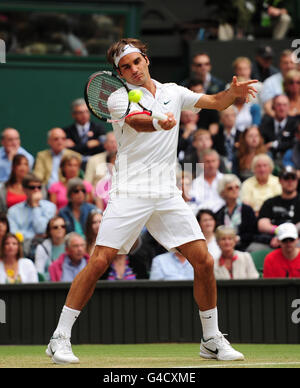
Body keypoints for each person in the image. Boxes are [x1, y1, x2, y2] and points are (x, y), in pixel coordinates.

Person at [46, 37, 257, 364]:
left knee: (204, 260)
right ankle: (59, 338)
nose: (132, 70)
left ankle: (212, 339)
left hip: (165, 192)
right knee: (100, 261)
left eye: (136, 62)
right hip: (130, 191)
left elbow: (215, 101)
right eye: (124, 67)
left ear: (146, 60)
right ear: (119, 73)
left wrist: (233, 93)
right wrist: (159, 121)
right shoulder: (116, 98)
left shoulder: (174, 91)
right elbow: (137, 122)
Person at [7, 173, 56, 257]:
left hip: (45, 249)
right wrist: (33, 236)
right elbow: (14, 233)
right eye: (32, 187)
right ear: (24, 189)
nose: (36, 190)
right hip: (22, 248)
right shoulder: (13, 210)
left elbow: (41, 229)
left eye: (39, 187)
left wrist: (35, 206)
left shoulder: (50, 207)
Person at [255, 166, 300, 251]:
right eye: (286, 178)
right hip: (273, 238)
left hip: (296, 239)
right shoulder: (270, 202)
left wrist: (287, 234)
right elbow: (262, 224)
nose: (290, 181)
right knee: (254, 248)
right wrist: (278, 232)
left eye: (293, 178)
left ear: (297, 181)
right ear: (280, 180)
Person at [215, 174, 257, 251]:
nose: (235, 190)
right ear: (222, 192)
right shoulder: (219, 213)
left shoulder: (247, 210)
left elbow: (253, 232)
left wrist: (239, 238)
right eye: (230, 188)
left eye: (237, 187)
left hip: (244, 247)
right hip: (223, 248)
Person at [63, 98, 106, 168]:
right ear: (73, 115)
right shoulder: (67, 131)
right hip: (75, 166)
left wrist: (76, 147)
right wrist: (87, 145)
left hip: (97, 165)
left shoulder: (99, 128)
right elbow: (69, 151)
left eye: (86, 111)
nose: (84, 115)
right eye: (80, 112)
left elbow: (102, 148)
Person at [259, 94, 297, 165]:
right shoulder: (265, 123)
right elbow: (262, 143)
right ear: (273, 107)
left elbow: (294, 142)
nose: (282, 108)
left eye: (284, 105)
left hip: (290, 160)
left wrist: (274, 144)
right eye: (279, 105)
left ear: (289, 107)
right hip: (269, 161)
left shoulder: (295, 123)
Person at [260, 50, 296, 117]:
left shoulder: (298, 80)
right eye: (285, 63)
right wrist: (283, 121)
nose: (289, 66)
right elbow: (268, 108)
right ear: (280, 65)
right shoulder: (269, 82)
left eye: (292, 62)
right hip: (277, 120)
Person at [35, 216, 67, 280]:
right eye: (55, 227)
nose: (60, 228)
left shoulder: (71, 244)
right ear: (50, 231)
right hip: (50, 284)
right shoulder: (42, 248)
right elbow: (39, 272)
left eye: (63, 226)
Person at [212, 106, 239, 172]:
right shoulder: (216, 136)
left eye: (232, 115)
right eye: (226, 116)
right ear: (221, 119)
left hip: (238, 167)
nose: (230, 118)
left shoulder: (242, 135)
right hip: (221, 168)